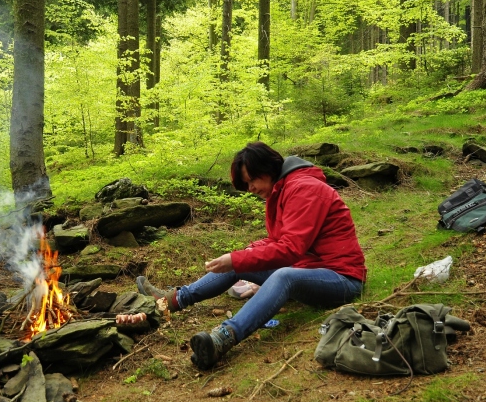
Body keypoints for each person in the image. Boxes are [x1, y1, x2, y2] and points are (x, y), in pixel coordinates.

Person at [136, 141, 367, 370]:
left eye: (253, 180)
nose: (251, 188)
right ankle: (168, 303)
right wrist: (244, 253)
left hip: (342, 278)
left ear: (269, 168)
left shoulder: (305, 189)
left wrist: (238, 259)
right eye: (246, 184)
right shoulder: (281, 191)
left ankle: (222, 338)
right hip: (309, 270)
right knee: (240, 262)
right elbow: (278, 240)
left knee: (281, 275)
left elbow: (290, 248)